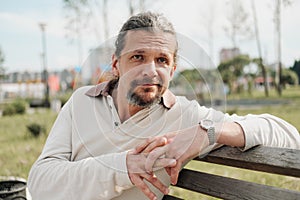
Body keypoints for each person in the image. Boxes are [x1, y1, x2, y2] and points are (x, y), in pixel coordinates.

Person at [28, 12, 300, 200]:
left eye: (161, 60)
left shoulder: (185, 116)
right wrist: (123, 167)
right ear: (115, 64)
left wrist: (208, 132)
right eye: (138, 57)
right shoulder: (81, 102)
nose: (151, 70)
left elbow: (288, 136)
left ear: (173, 68)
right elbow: (40, 184)